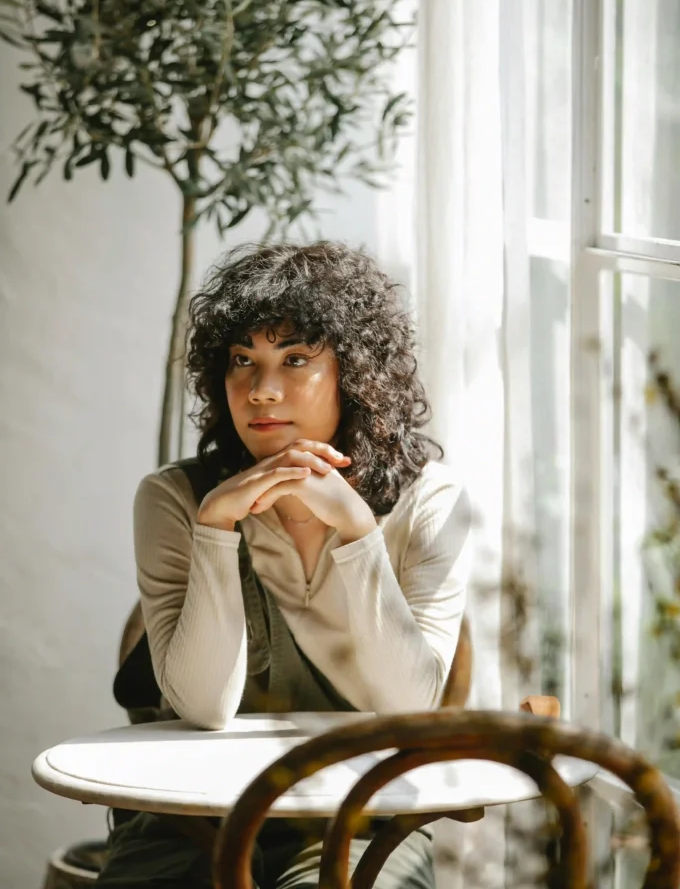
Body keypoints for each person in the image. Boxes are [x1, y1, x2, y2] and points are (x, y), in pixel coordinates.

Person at [97, 240, 472, 889]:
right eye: (242, 361)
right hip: (187, 818)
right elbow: (204, 707)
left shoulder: (429, 503)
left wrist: (356, 530)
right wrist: (216, 528)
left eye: (294, 359)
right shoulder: (175, 500)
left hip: (361, 822)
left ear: (356, 373)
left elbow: (407, 706)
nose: (261, 392)